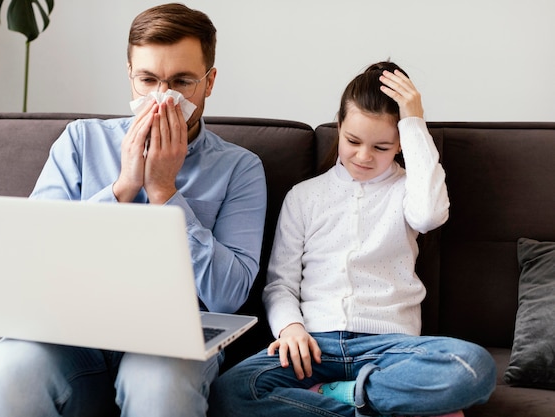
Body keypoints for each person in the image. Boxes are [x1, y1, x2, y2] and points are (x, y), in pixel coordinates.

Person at [0, 4, 267, 417]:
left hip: (173, 339)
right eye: (148, 79)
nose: (163, 96)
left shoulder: (240, 168)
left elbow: (229, 295)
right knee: (9, 370)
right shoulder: (80, 142)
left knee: (158, 386)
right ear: (130, 74)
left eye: (182, 81)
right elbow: (37, 261)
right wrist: (123, 187)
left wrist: (165, 193)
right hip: (72, 334)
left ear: (209, 81)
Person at [208, 62, 496, 417]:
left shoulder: (410, 189)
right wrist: (291, 328)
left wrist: (414, 121)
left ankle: (344, 395)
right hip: (314, 346)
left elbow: (430, 215)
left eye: (382, 146)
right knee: (230, 391)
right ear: (339, 126)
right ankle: (382, 406)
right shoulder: (304, 196)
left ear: (401, 144)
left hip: (390, 349)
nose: (363, 156)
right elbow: (280, 284)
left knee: (473, 367)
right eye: (353, 141)